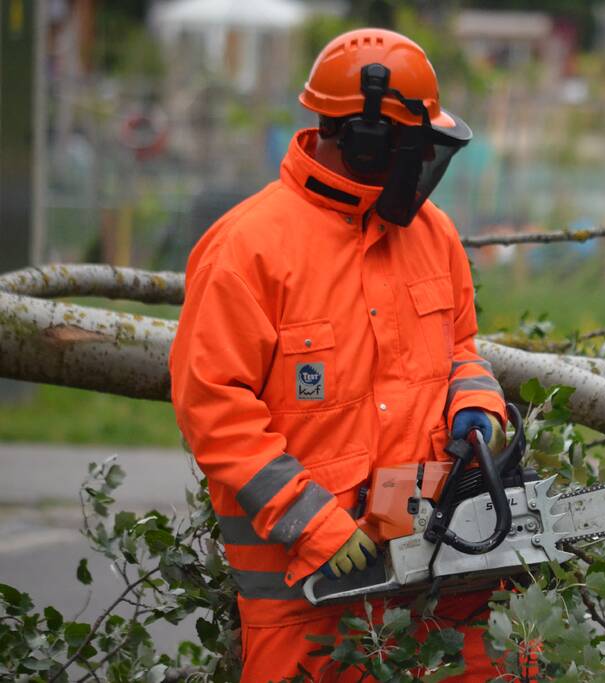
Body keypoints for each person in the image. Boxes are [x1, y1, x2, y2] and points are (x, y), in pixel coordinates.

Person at [169, 28, 509, 682]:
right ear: (368, 140)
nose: (424, 162)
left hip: (440, 587)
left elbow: (462, 347)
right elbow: (213, 407)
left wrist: (475, 403)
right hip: (306, 609)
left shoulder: (430, 234)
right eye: (416, 144)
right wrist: (312, 520)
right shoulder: (249, 250)